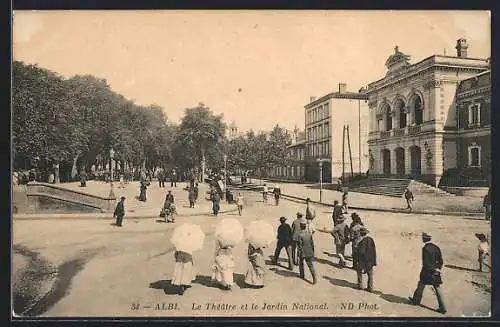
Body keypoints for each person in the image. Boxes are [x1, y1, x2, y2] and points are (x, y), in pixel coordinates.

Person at [409, 232, 447, 314]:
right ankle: (443, 308)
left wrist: (432, 270)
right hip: (436, 272)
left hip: (427, 272)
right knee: (437, 288)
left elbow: (426, 263)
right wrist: (438, 270)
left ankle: (416, 301)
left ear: (424, 238)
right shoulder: (436, 247)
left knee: (421, 285)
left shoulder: (425, 248)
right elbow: (440, 261)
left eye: (423, 237)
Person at [356, 226, 376, 292]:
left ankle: (360, 285)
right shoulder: (371, 239)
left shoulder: (362, 241)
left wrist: (358, 259)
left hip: (364, 260)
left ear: (361, 233)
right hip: (370, 260)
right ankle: (370, 288)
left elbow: (361, 252)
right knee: (370, 274)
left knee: (359, 271)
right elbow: (374, 250)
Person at [297, 220, 317, 284]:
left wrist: (298, 253)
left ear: (300, 227)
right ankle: (314, 278)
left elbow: (299, 246)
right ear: (305, 227)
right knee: (310, 265)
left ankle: (302, 275)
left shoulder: (300, 235)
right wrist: (312, 251)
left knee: (301, 263)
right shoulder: (309, 234)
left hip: (303, 252)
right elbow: (312, 244)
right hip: (309, 251)